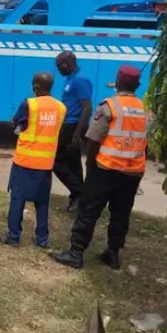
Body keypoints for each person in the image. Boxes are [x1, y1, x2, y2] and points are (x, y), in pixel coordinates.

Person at [52, 65, 149, 270]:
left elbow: (94, 139)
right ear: (138, 85)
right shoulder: (145, 110)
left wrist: (89, 164)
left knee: (88, 210)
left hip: (105, 170)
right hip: (133, 173)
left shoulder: (109, 106)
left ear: (117, 81)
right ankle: (112, 254)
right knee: (121, 213)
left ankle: (75, 253)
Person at [0, 73, 67, 247]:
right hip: (46, 163)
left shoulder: (29, 104)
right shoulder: (61, 107)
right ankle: (42, 239)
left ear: (35, 87)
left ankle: (14, 237)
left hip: (25, 161)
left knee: (17, 199)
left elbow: (15, 122)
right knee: (42, 201)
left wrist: (15, 123)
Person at [54, 52, 92, 212]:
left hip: (74, 126)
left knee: (55, 161)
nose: (58, 69)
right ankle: (78, 199)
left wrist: (77, 134)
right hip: (67, 125)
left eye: (60, 65)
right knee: (73, 163)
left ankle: (79, 193)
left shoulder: (80, 79)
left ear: (69, 62)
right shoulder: (70, 79)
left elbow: (87, 108)